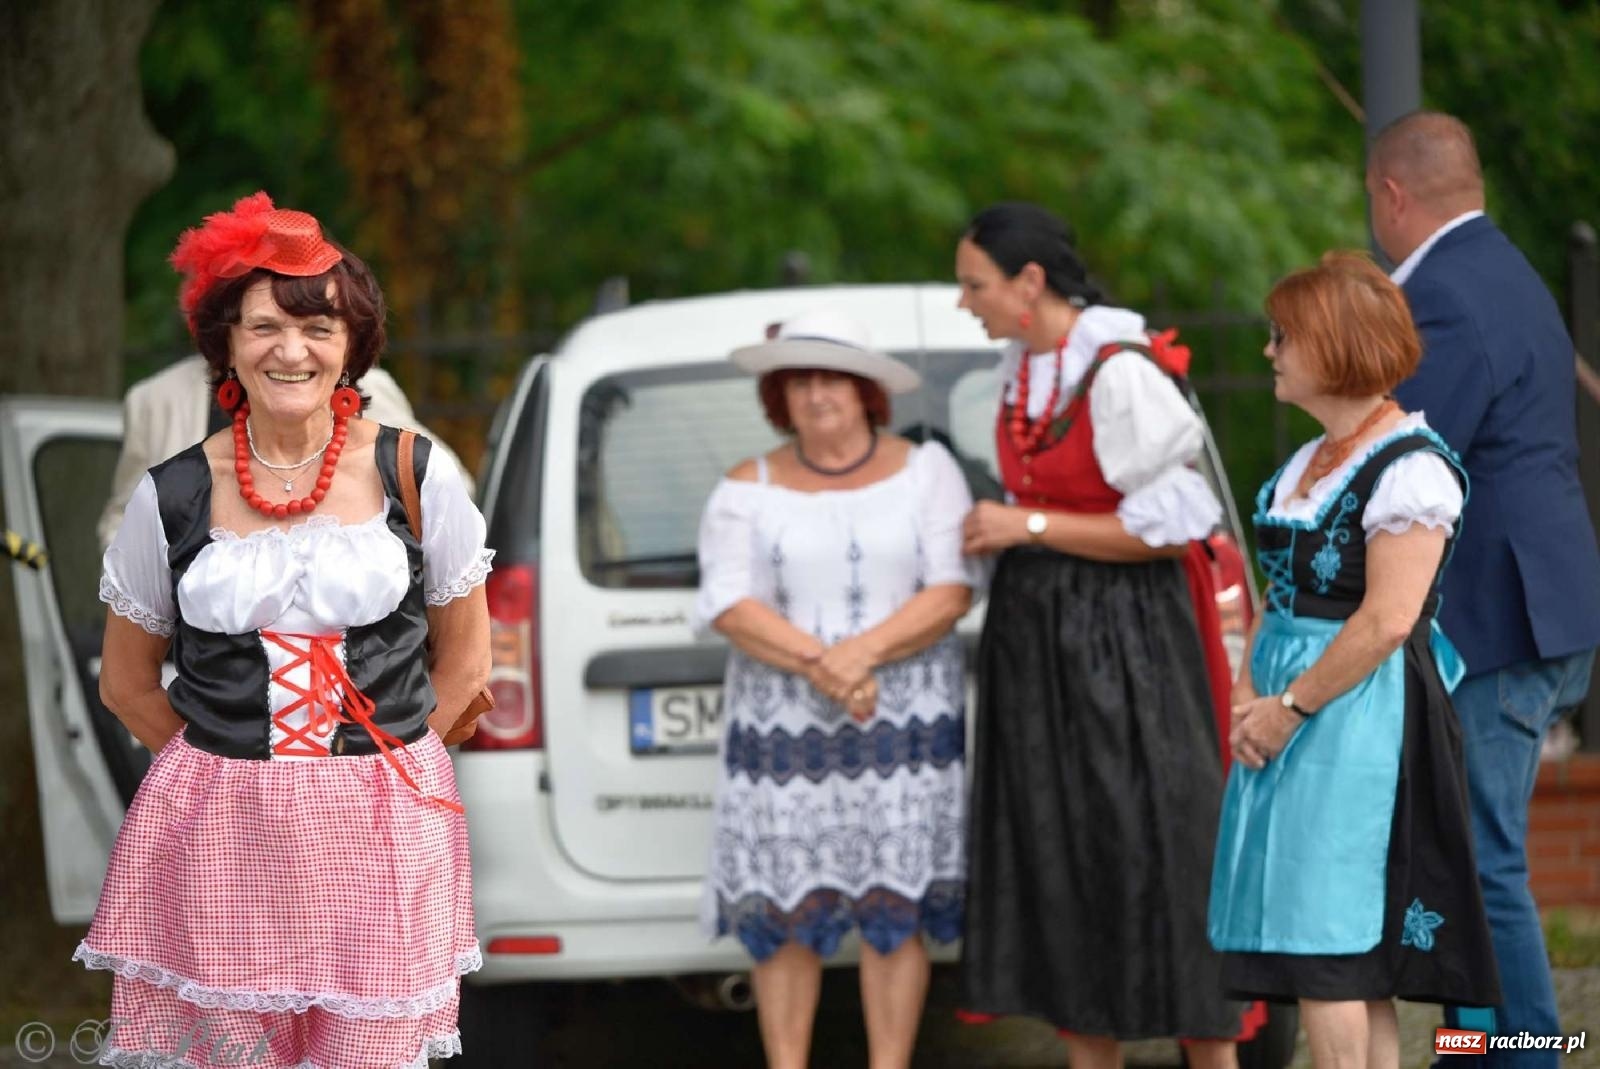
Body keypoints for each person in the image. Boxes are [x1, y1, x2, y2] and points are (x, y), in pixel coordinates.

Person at [76, 192, 493, 1068]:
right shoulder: (174, 492)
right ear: (226, 342)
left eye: (319, 327)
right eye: (264, 326)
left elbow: (466, 662)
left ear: (353, 347)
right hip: (222, 835)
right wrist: (218, 768)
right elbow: (125, 681)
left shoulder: (416, 473)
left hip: (381, 831)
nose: (291, 350)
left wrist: (398, 772)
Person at [954, 201, 1244, 1066]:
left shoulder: (1117, 369)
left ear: (1028, 283)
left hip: (1132, 643)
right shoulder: (1021, 369)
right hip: (1040, 645)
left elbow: (1165, 532)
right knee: (1062, 849)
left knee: (1164, 846)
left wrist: (1024, 527)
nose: (964, 301)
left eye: (974, 284)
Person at [1208, 251, 1501, 1067]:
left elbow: (1386, 619)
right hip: (1290, 707)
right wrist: (1246, 687)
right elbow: (1280, 585)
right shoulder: (1310, 461)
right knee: (1336, 957)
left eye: (1283, 336)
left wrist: (1289, 705)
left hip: (1357, 715)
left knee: (1329, 944)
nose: (1270, 351)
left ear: (1333, 345)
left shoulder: (1410, 468)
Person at [1368, 111, 1600, 1057]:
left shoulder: (1447, 295)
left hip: (1499, 616)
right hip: (1540, 601)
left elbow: (1409, 461)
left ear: (1392, 194)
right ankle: (1484, 1049)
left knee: (1481, 856)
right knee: (1470, 856)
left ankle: (1523, 1053)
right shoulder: (1509, 272)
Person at [695, 308, 981, 1069]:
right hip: (781, 735)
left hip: (907, 732)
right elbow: (728, 601)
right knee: (789, 908)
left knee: (896, 906)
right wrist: (827, 663)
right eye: (799, 381)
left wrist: (859, 654)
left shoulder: (928, 470)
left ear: (866, 391)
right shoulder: (743, 487)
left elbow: (952, 586)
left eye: (832, 378)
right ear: (778, 397)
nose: (816, 394)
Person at [97, 353, 472, 549]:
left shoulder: (359, 383)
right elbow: (123, 518)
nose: (289, 350)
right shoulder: (154, 399)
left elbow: (444, 484)